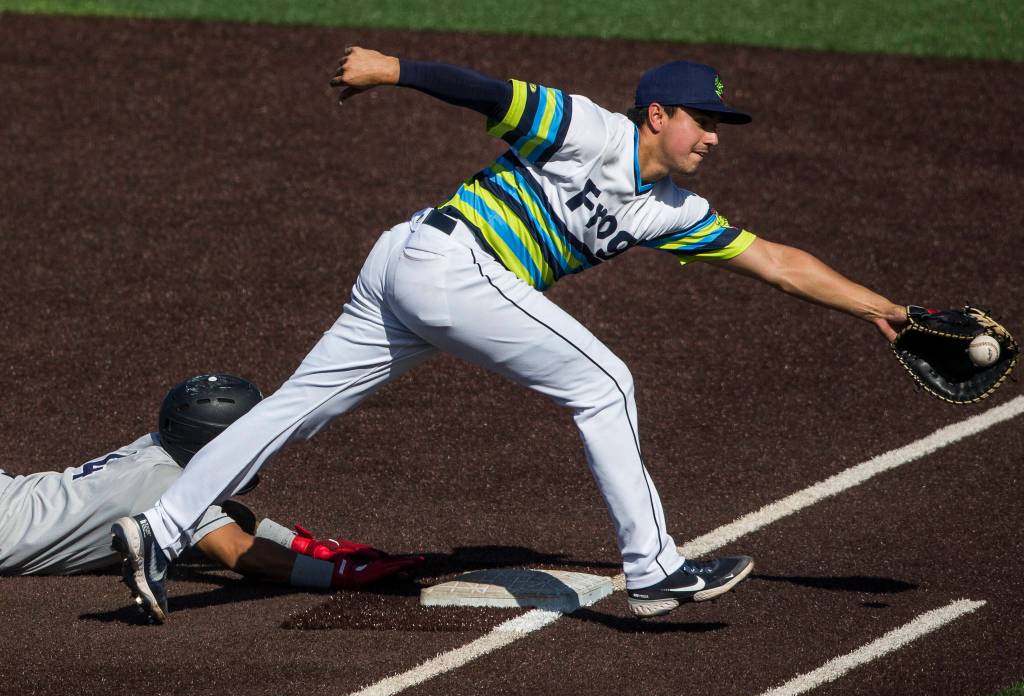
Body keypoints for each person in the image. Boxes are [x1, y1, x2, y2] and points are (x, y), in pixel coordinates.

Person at [112, 49, 908, 622]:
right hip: (445, 264)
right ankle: (656, 569)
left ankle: (161, 530)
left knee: (294, 406)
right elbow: (488, 93)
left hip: (418, 265)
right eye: (703, 119)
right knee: (605, 382)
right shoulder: (590, 129)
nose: (714, 136)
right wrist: (393, 71)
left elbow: (776, 263)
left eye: (720, 123)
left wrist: (889, 309)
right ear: (657, 114)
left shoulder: (674, 213)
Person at [0, 373, 419, 622]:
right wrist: (341, 575)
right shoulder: (166, 485)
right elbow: (238, 553)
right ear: (211, 444)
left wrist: (299, 545)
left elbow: (226, 515)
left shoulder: (155, 449)